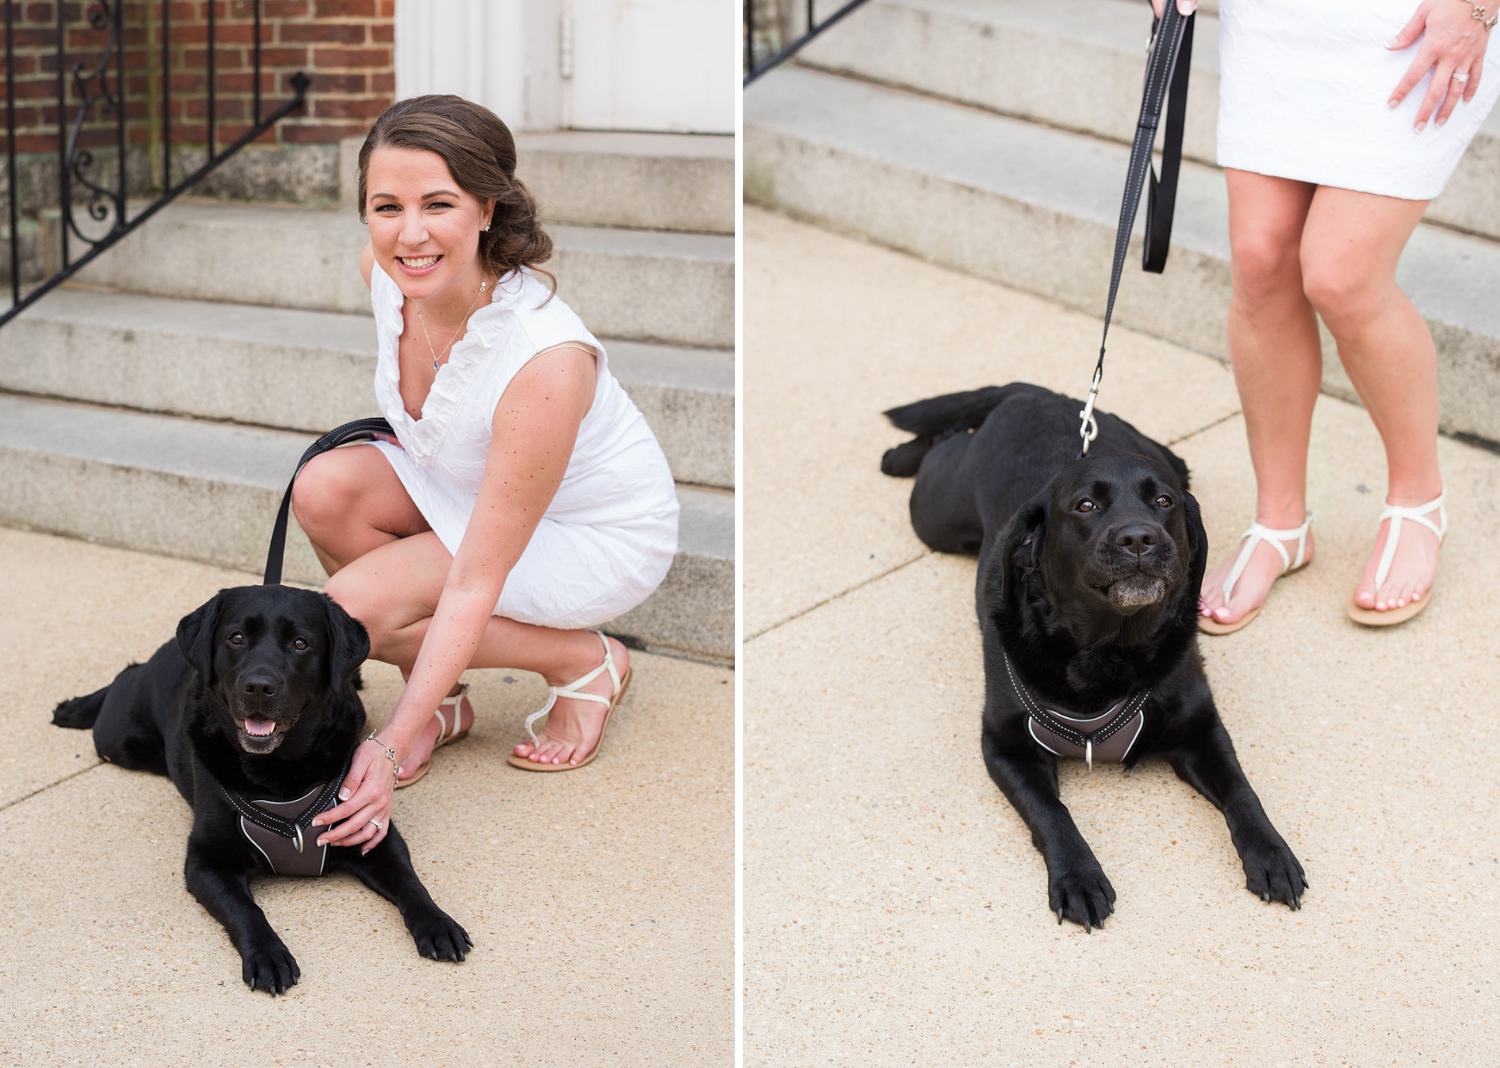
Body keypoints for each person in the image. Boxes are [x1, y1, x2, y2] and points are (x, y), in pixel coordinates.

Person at [291, 95, 679, 853]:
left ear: (487, 208)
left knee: (352, 613)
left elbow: (474, 578)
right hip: (472, 489)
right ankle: (447, 699)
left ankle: (582, 660)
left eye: (439, 204)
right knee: (324, 489)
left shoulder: (543, 359)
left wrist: (386, 746)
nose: (410, 234)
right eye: (386, 205)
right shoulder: (386, 272)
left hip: (592, 531)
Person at [1147, 0, 1496, 632]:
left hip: (1412, 17)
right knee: (1261, 265)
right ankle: (1280, 523)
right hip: (1277, 24)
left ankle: (1419, 502)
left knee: (1342, 275)